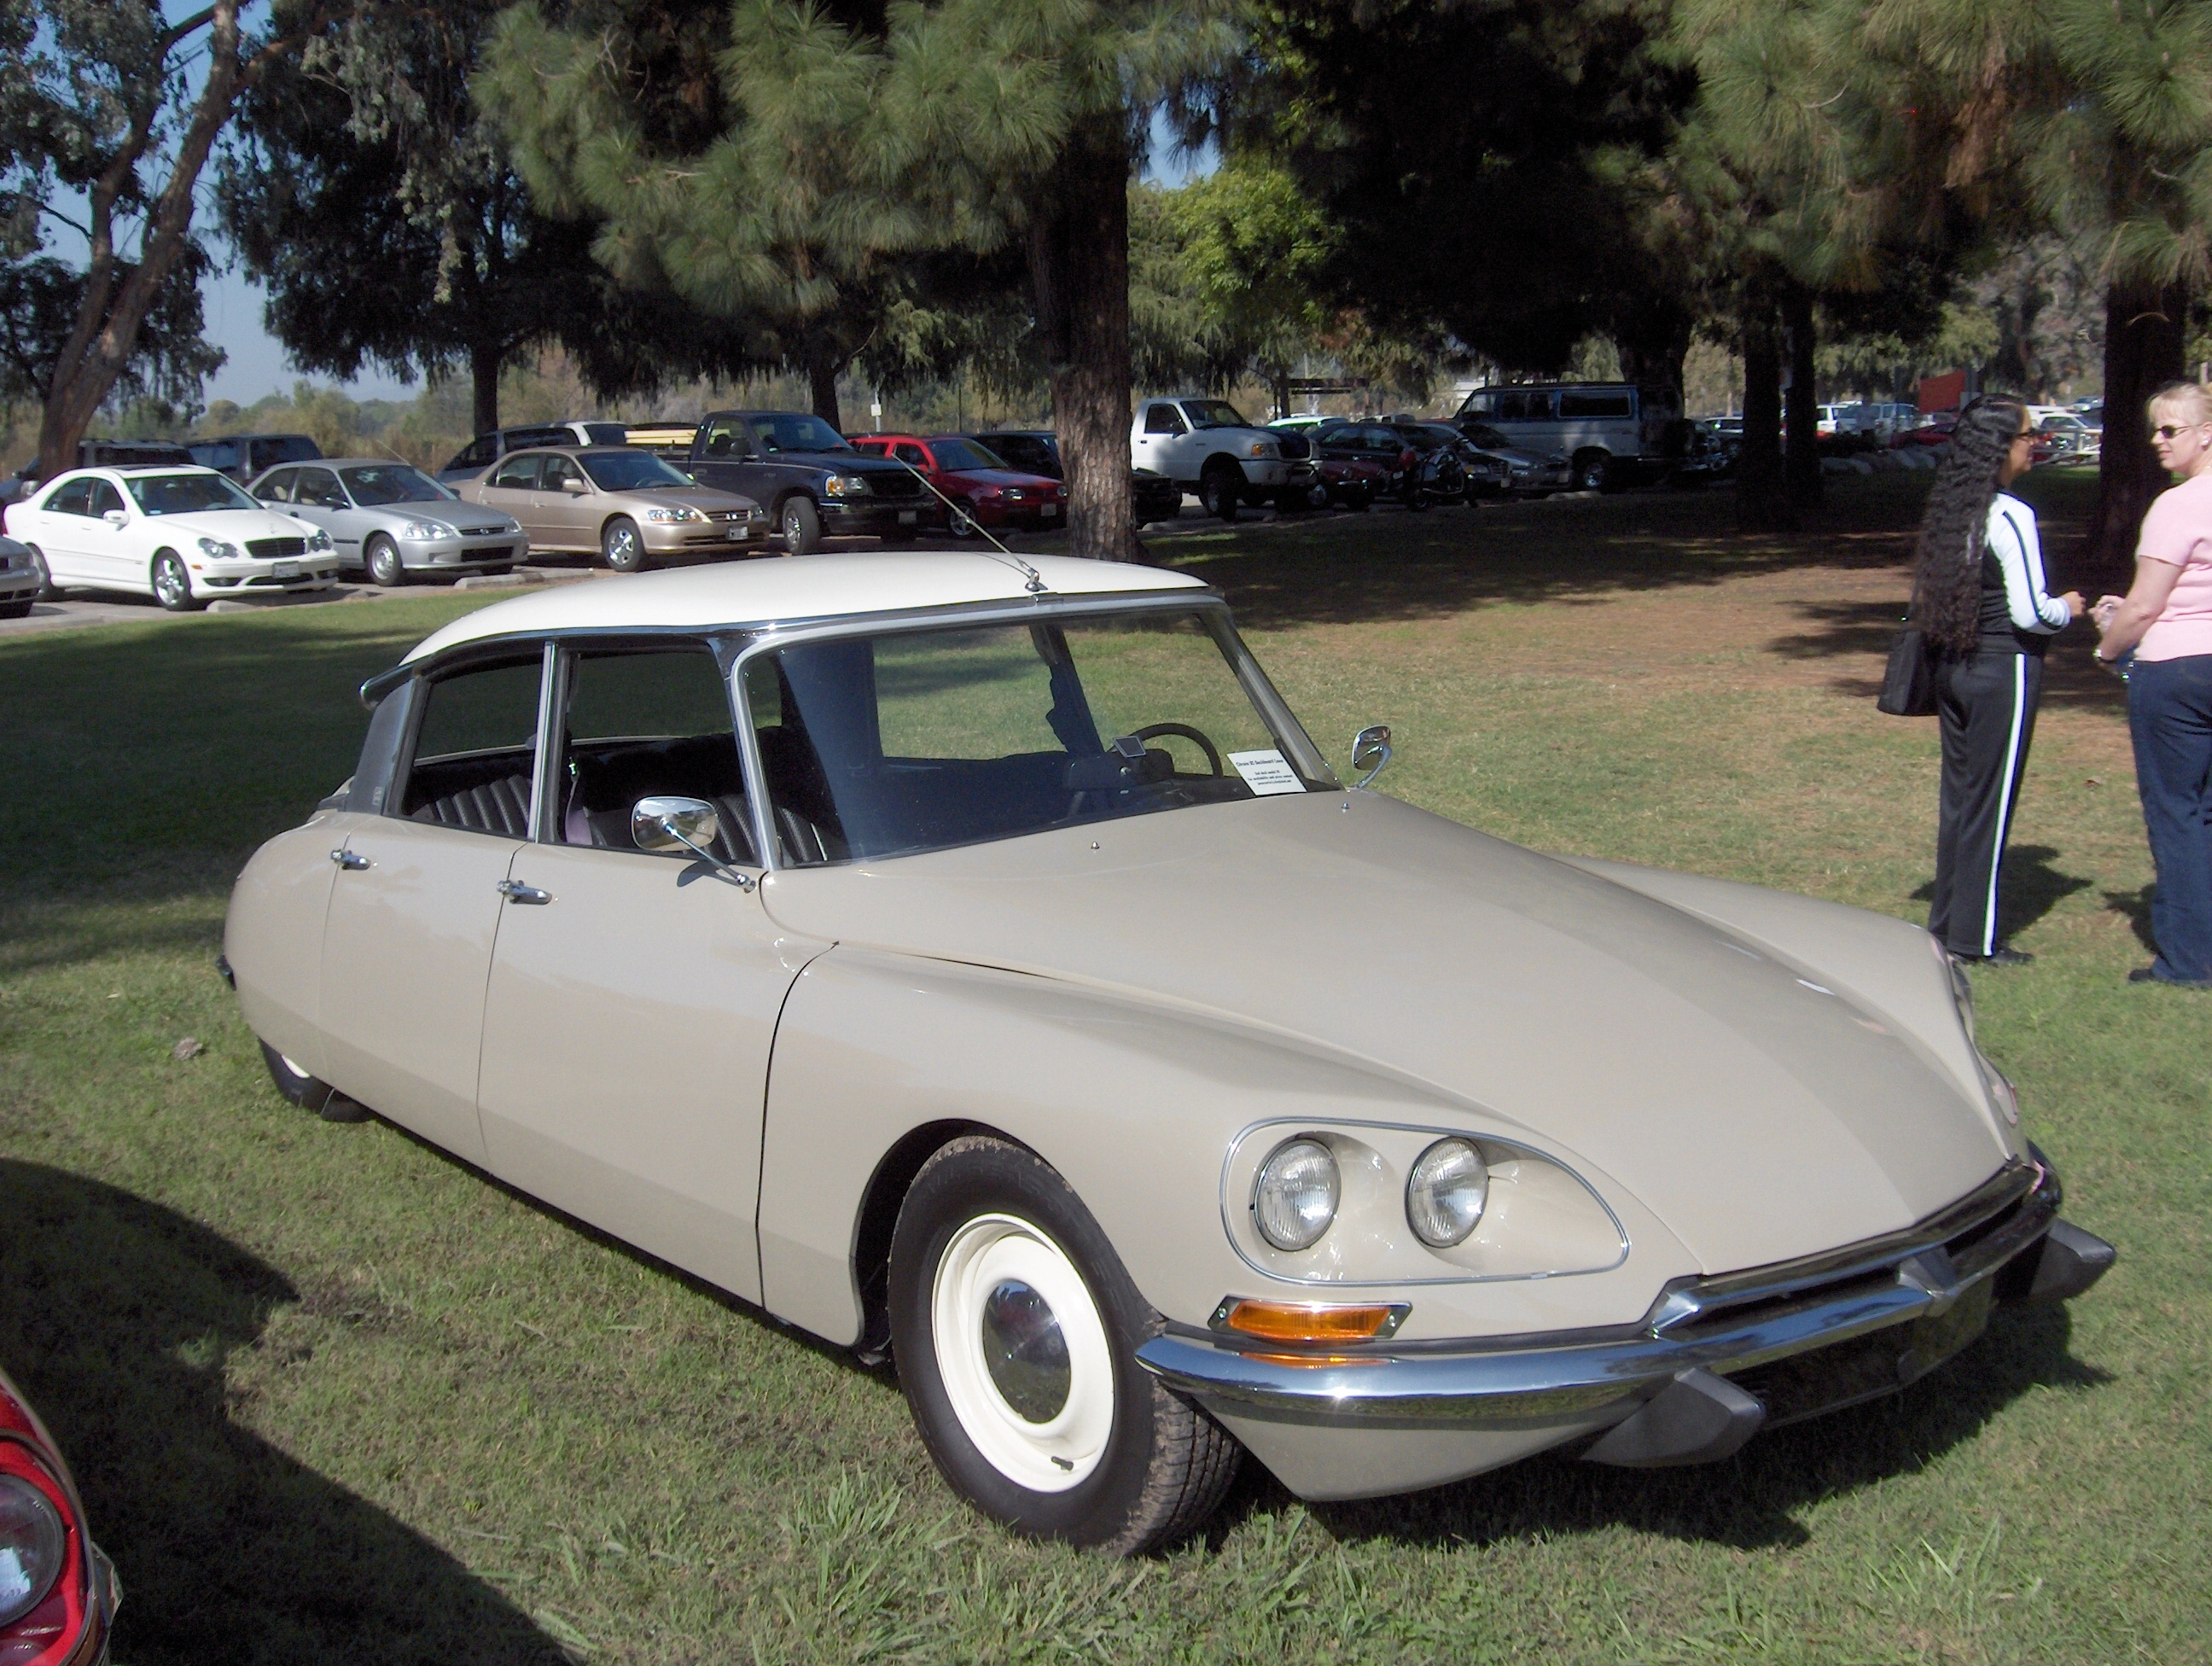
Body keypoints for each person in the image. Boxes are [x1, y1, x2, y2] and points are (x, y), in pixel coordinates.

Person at [1912, 396, 2086, 965]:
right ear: (1999, 447)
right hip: (2003, 669)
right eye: (2027, 436)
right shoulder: (2011, 513)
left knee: (1961, 803)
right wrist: (2070, 608)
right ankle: (1973, 941)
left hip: (1955, 667)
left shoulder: (1953, 509)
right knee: (1990, 805)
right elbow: (2030, 612)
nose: (2034, 444)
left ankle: (1945, 926)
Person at [2091, 380, 2212, 987]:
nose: (2156, 441)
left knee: (2177, 814)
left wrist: (2109, 646)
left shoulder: (2179, 505)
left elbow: (2143, 608)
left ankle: (2189, 962)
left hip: (2178, 671)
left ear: (2206, 433)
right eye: (2154, 429)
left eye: (2171, 429)